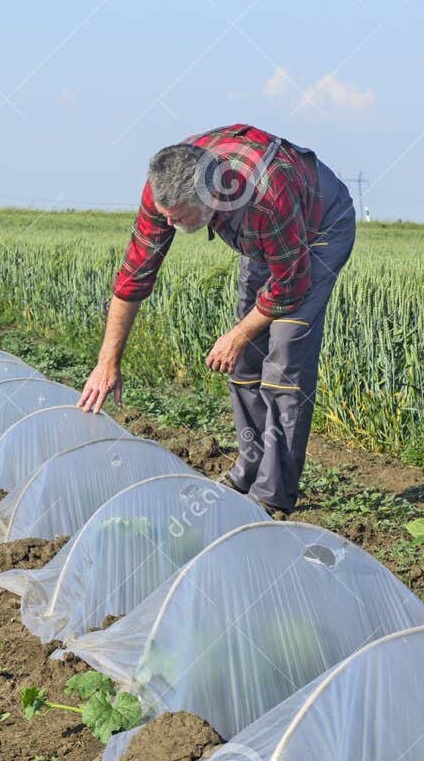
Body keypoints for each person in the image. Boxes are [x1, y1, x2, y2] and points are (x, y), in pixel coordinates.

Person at [77, 124, 356, 517]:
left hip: (319, 225)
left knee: (285, 355)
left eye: (178, 219)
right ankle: (249, 467)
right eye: (165, 216)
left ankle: (273, 495)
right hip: (267, 236)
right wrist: (107, 362)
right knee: (244, 360)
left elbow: (291, 285)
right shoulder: (165, 190)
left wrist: (239, 334)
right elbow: (134, 275)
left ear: (210, 198)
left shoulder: (264, 197)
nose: (169, 226)